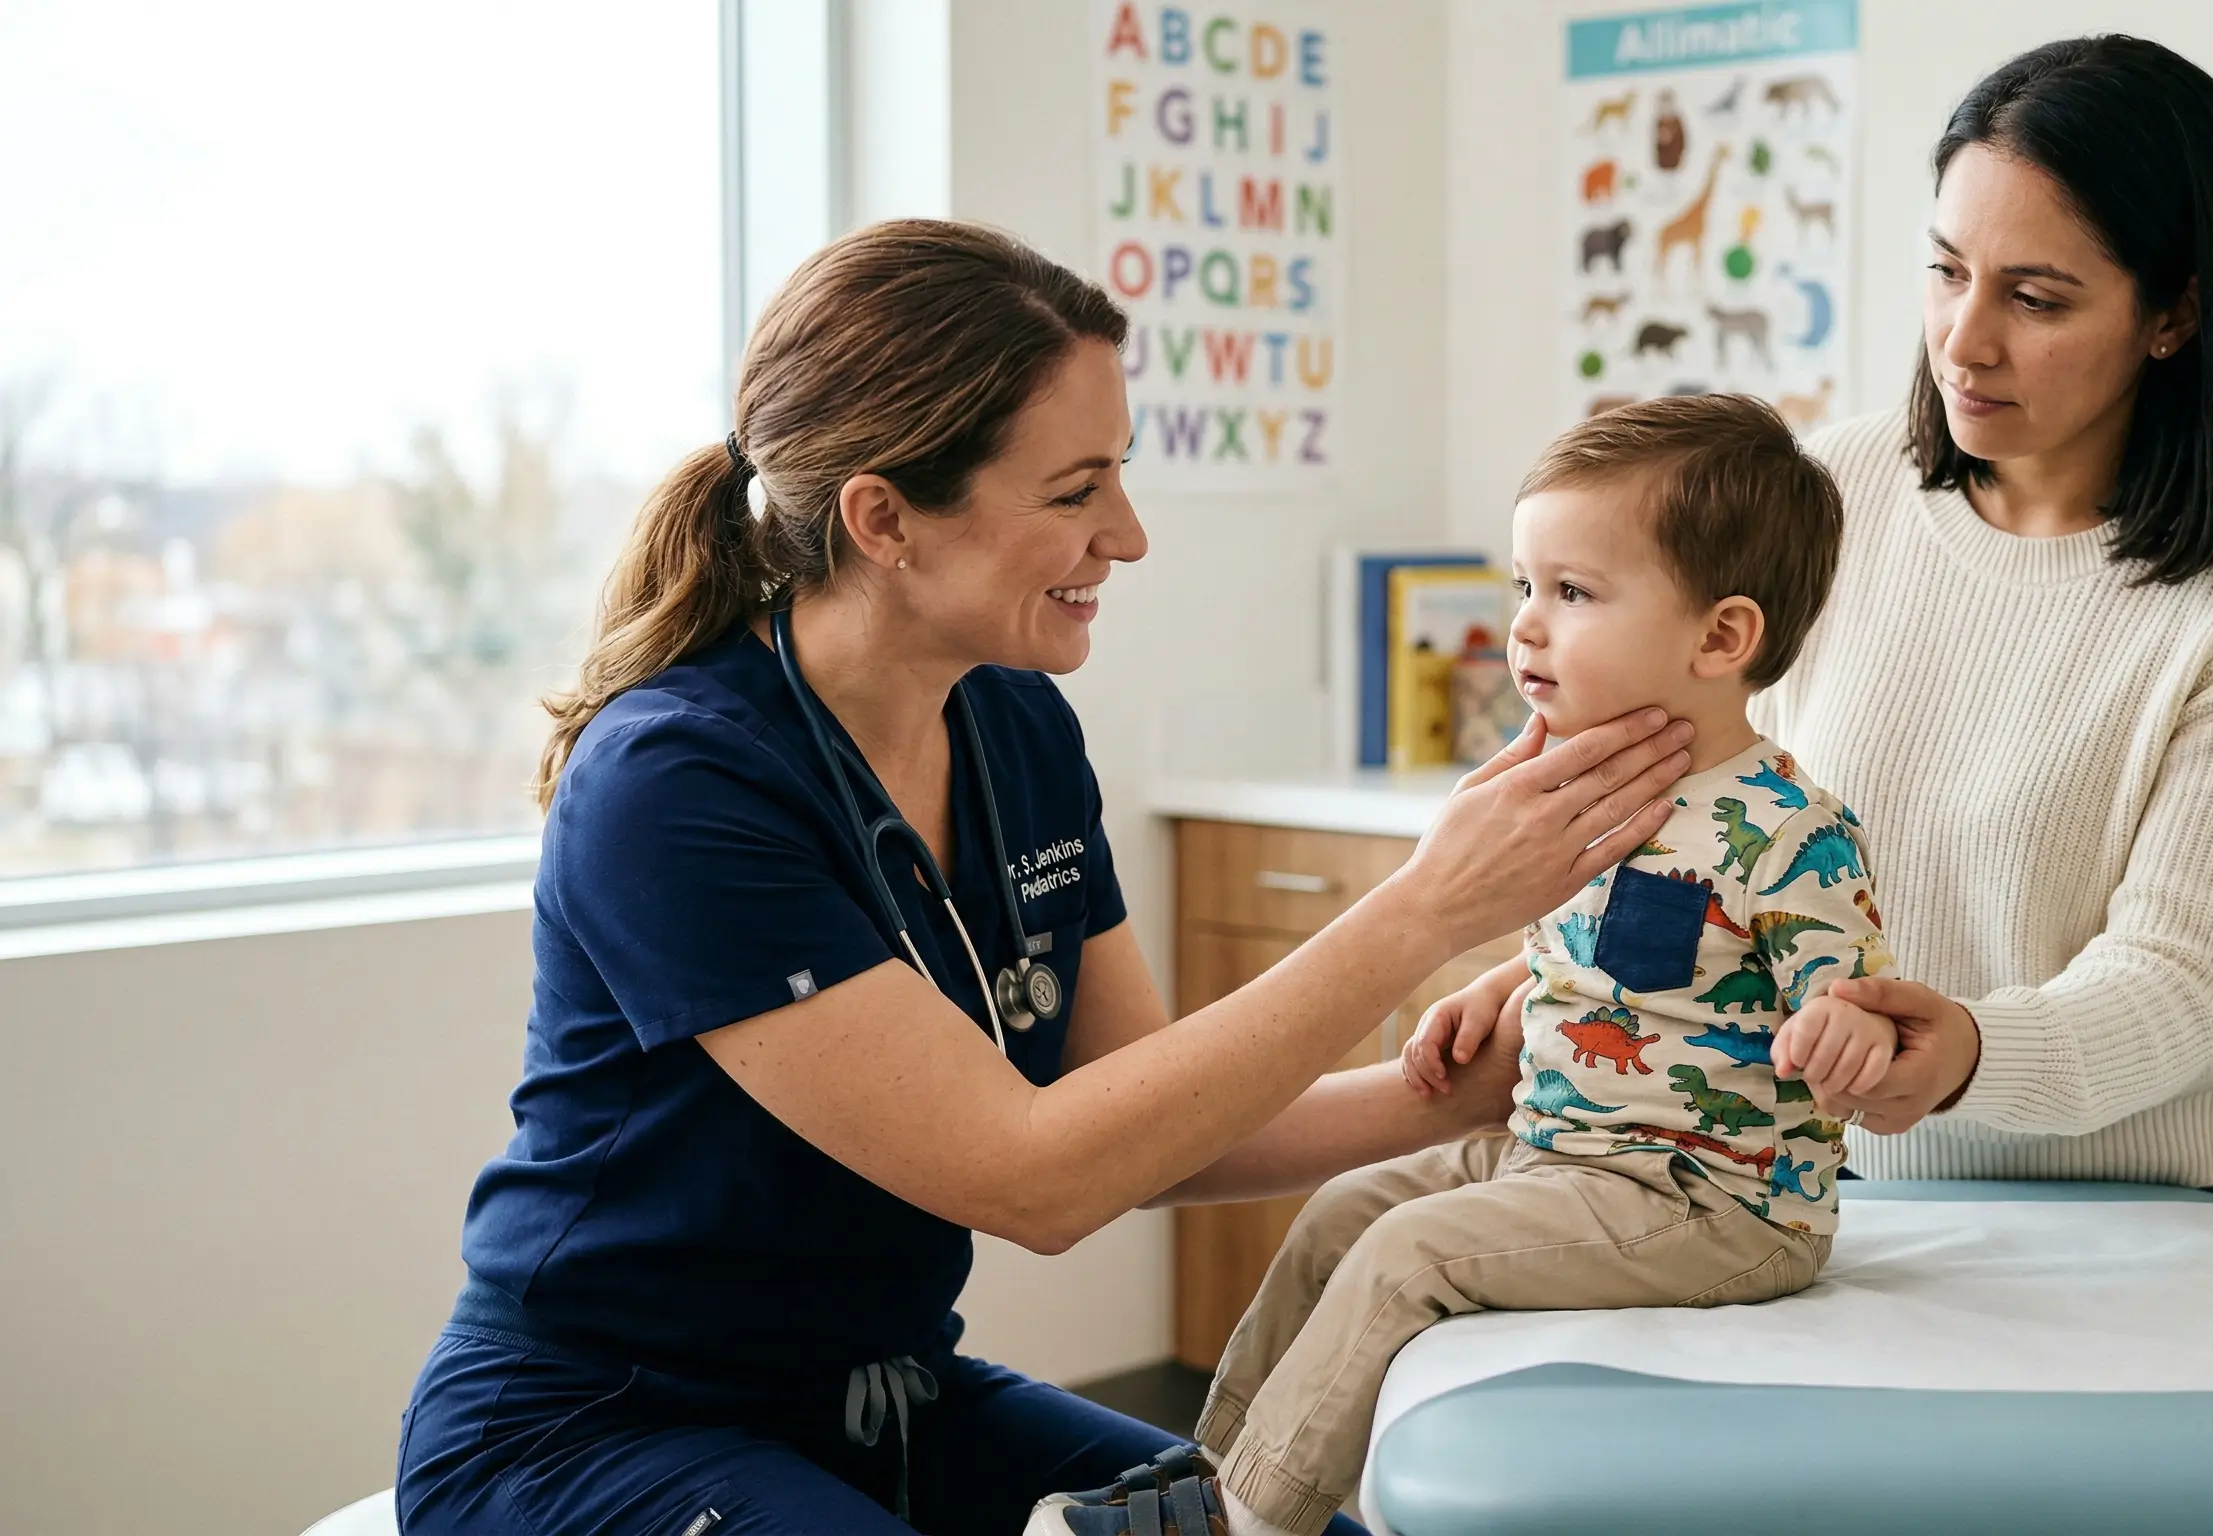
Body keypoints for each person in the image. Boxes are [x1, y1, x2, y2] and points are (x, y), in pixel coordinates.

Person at [392, 220, 1698, 1536]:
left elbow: (1137, 1128)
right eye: (1075, 493)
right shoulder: (675, 784)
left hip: (890, 1404)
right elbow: (1034, 1179)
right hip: (595, 1431)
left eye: (1117, 478)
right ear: (885, 519)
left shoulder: (1012, 722)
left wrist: (1461, 1090)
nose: (1125, 536)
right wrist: (1422, 912)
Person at [1451, 34, 2213, 1203]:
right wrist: (1561, 979)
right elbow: (1686, 808)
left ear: (2170, 314)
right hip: (1794, 1179)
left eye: (2035, 298)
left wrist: (1967, 1054)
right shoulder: (1828, 494)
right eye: (1944, 270)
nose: (1962, 341)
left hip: (2123, 1209)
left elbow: (2178, 983)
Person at [1063, 395, 1895, 1536]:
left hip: (1711, 1203)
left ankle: (1247, 1521)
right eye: (1523, 588)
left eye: (1573, 593)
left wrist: (1842, 1033)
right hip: (1559, 1154)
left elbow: (1845, 1005)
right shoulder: (1587, 790)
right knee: (1342, 1216)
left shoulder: (1787, 829)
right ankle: (1208, 1474)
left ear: (1720, 638)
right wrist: (1499, 988)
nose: (1526, 629)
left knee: (1408, 1254)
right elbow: (1605, 962)